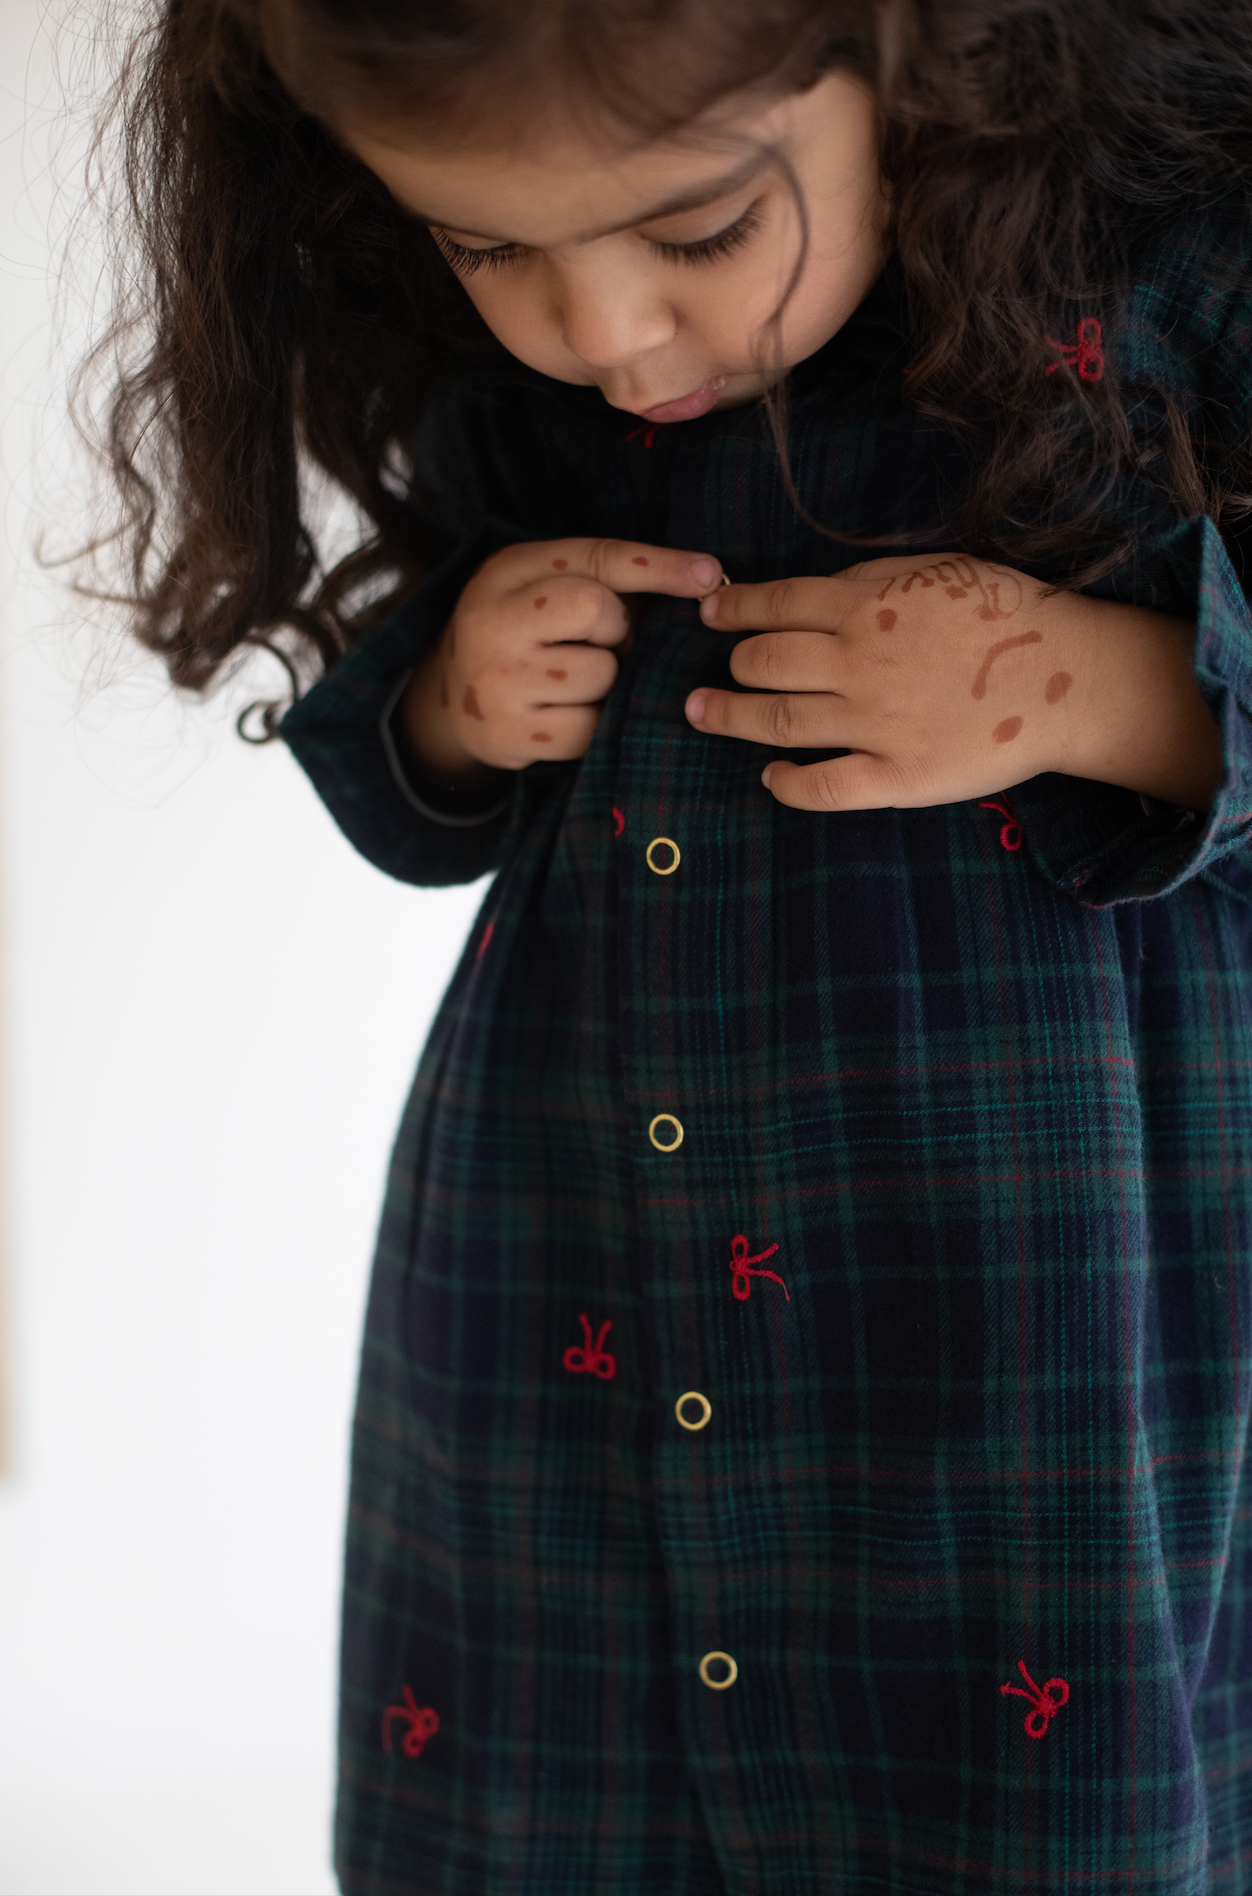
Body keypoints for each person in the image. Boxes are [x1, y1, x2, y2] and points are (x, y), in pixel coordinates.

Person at [95, 1, 1252, 1888]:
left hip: (1032, 1291)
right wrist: (464, 692)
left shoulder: (1163, 269)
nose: (604, 333)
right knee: (566, 1781)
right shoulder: (534, 395)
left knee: (1013, 1780)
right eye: (489, 247)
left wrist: (1090, 689)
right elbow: (417, 783)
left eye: (699, 232)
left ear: (930, 55)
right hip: (572, 1260)